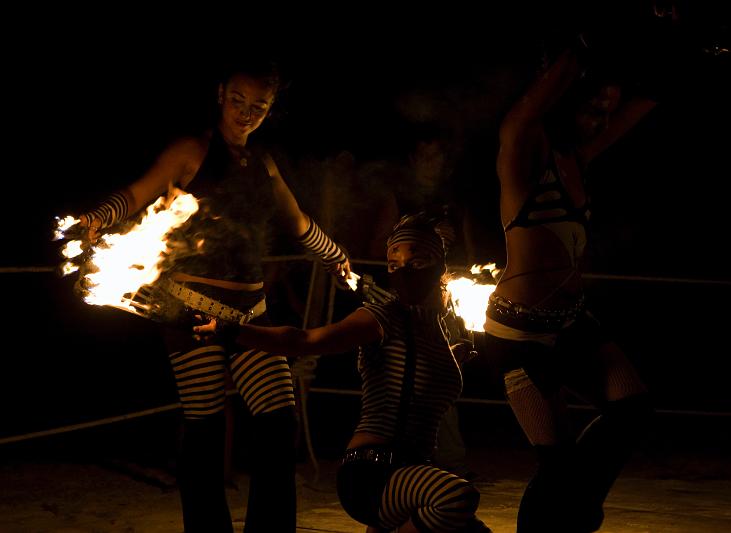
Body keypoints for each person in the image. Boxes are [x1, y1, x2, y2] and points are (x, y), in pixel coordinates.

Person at [76, 61, 350, 533]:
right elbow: (136, 193)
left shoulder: (263, 162)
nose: (247, 113)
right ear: (221, 93)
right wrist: (97, 216)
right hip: (190, 312)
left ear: (270, 109)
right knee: (205, 429)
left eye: (259, 106)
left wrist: (334, 254)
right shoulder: (192, 150)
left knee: (278, 421)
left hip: (251, 315)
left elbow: (296, 219)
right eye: (239, 101)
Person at [195, 212, 491, 532]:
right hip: (373, 473)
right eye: (393, 264)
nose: (402, 270)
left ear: (441, 267)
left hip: (414, 471)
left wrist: (456, 360)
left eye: (416, 261)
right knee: (457, 497)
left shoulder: (439, 330)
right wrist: (230, 330)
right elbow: (304, 340)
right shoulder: (383, 316)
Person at [482, 29, 658, 532]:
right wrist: (586, 42)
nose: (599, 123)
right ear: (566, 100)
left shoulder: (578, 157)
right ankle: (570, 505)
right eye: (591, 110)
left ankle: (578, 502)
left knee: (634, 409)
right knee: (557, 469)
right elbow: (529, 107)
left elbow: (649, 97)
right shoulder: (523, 151)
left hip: (572, 322)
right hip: (519, 337)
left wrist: (678, 41)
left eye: (606, 112)